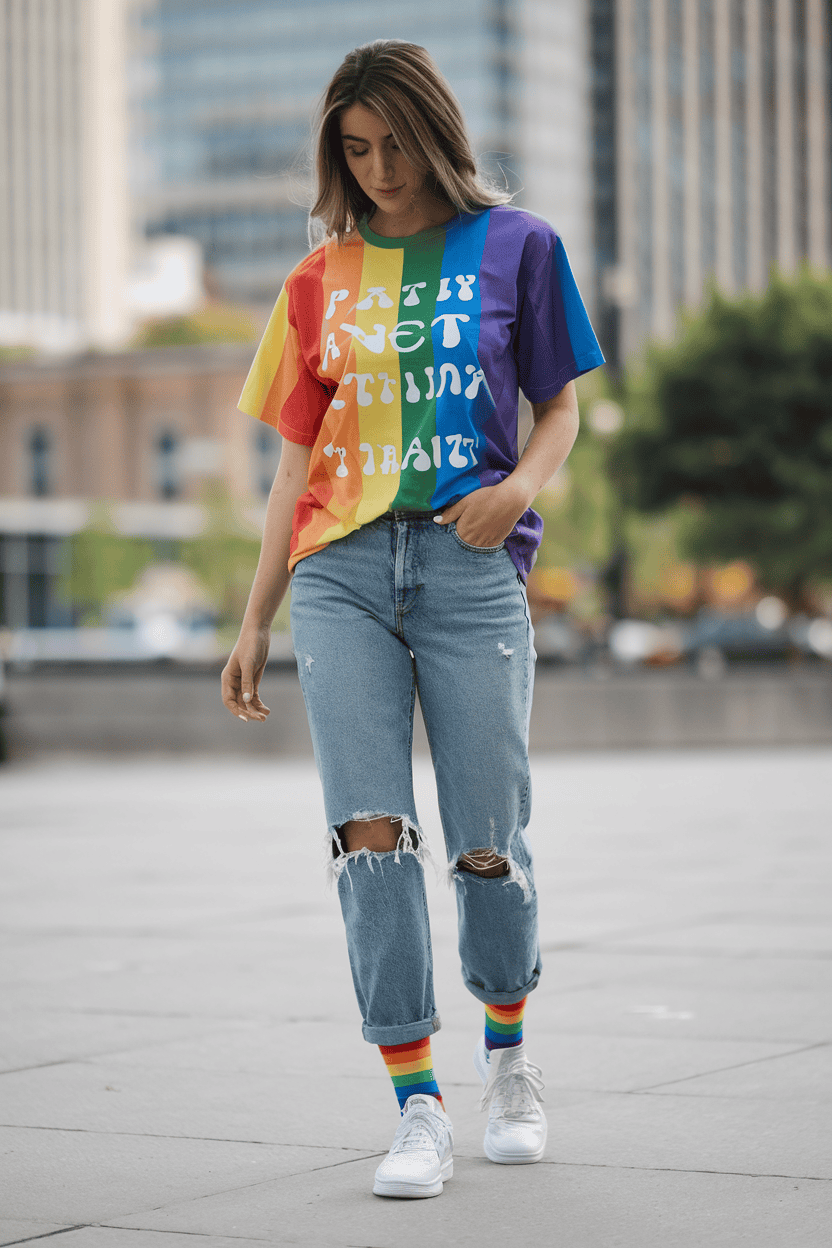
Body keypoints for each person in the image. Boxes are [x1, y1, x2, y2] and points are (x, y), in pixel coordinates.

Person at [221, 39, 604, 1199]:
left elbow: (562, 410)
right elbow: (292, 475)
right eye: (354, 148)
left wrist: (517, 490)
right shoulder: (315, 280)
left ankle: (510, 1059)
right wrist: (251, 624)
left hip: (469, 565)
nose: (376, 168)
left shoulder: (520, 247)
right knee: (367, 836)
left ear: (434, 133)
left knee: (488, 837)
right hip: (338, 574)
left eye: (392, 143)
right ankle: (416, 1102)